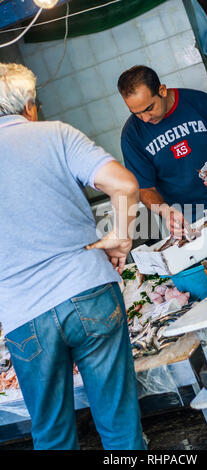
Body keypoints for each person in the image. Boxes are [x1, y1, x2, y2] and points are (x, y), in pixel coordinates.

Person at [0, 63, 146, 450]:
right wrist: (120, 237)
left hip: (23, 312)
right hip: (89, 288)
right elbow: (125, 185)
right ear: (30, 104)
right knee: (120, 428)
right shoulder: (56, 134)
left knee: (52, 435)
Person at [118, 65, 207, 238]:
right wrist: (165, 211)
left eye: (149, 108)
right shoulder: (132, 135)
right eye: (137, 113)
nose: (145, 119)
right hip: (187, 220)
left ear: (162, 91)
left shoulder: (199, 102)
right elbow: (145, 189)